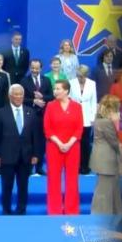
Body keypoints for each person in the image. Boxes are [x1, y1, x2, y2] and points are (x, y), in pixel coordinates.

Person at [0, 84, 39, 215]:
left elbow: (35, 135)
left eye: (21, 95)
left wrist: (36, 154)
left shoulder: (31, 112)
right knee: (7, 185)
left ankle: (21, 209)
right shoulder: (1, 112)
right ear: (10, 96)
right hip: (7, 156)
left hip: (26, 156)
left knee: (23, 185)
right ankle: (6, 209)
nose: (18, 97)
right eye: (16, 94)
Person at [43, 80, 83, 215]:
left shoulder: (77, 106)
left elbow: (79, 128)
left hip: (73, 147)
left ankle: (71, 209)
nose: (55, 91)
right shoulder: (50, 106)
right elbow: (47, 128)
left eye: (58, 89)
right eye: (54, 89)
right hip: (54, 146)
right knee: (54, 178)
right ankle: (54, 210)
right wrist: (60, 143)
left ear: (66, 91)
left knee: (72, 179)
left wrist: (69, 143)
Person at [89, 95, 122, 215]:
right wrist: (117, 122)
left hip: (103, 159)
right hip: (106, 160)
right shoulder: (106, 122)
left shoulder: (100, 119)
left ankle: (116, 213)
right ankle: (100, 215)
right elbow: (114, 141)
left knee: (113, 188)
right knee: (104, 190)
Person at [21, 59, 53, 176]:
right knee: (29, 141)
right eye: (32, 68)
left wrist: (42, 97)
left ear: (41, 68)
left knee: (41, 142)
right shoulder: (24, 81)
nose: (34, 70)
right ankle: (28, 167)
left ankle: (39, 167)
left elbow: (52, 96)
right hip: (29, 115)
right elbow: (21, 98)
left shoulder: (46, 80)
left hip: (44, 116)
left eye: (37, 68)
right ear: (30, 68)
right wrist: (34, 101)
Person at [69, 65, 97, 175]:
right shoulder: (71, 83)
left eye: (82, 76)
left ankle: (85, 166)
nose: (80, 78)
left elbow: (93, 101)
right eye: (78, 76)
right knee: (74, 143)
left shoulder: (92, 84)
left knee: (85, 143)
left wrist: (93, 117)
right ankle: (75, 166)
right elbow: (69, 100)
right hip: (74, 117)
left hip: (87, 117)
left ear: (86, 75)